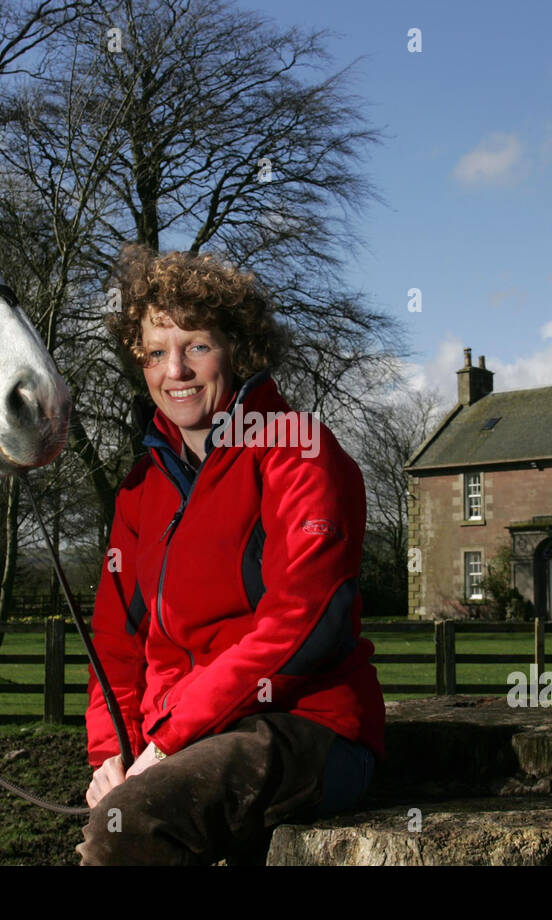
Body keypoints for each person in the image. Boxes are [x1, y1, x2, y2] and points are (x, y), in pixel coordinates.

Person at [75, 245, 385, 865]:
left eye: (196, 346)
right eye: (156, 353)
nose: (176, 371)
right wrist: (113, 752)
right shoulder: (141, 488)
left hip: (306, 725)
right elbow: (117, 636)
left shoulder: (298, 452)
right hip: (181, 739)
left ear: (237, 349)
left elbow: (306, 623)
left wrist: (165, 746)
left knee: (128, 831)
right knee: (118, 810)